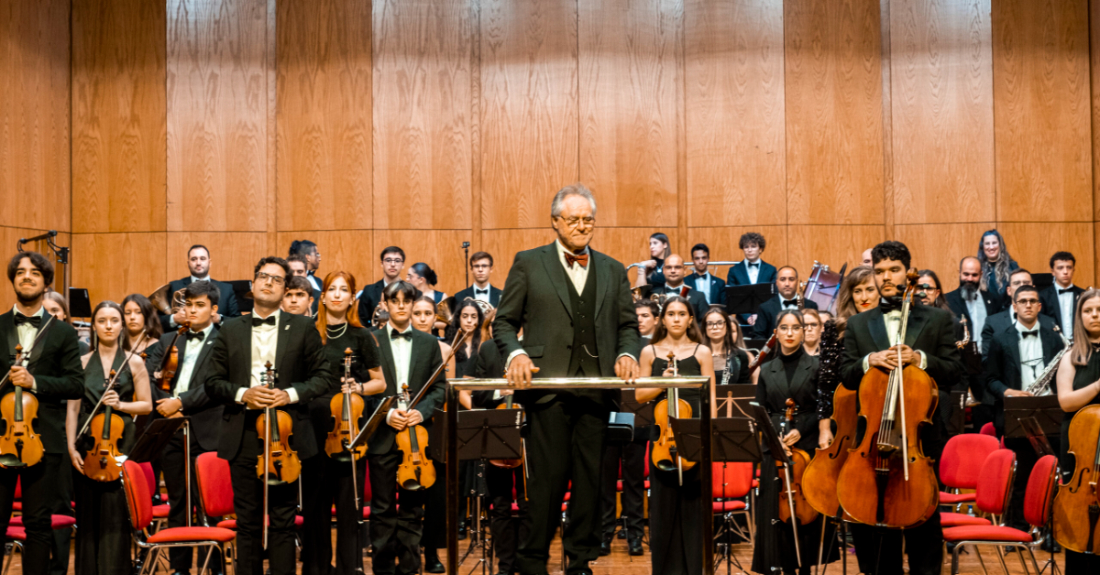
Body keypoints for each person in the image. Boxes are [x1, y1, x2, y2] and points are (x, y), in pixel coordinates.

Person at [494, 184, 640, 575]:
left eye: (587, 219)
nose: (581, 226)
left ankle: (580, 562)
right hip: (546, 391)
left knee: (591, 484)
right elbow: (504, 323)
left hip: (596, 391)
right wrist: (517, 353)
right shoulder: (529, 262)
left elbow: (628, 325)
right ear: (555, 221)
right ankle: (531, 562)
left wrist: (626, 353)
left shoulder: (612, 268)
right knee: (546, 483)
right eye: (573, 219)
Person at [202, 256, 334, 575]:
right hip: (243, 432)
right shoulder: (230, 328)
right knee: (247, 522)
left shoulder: (303, 327)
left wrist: (288, 394)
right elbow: (211, 381)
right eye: (264, 276)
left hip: (286, 435)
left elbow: (323, 376)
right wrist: (243, 393)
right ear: (252, 284)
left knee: (283, 521)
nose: (269, 282)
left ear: (285, 288)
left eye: (277, 279)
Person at [840, 241, 962, 575]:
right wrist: (870, 360)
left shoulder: (937, 320)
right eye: (879, 272)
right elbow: (847, 376)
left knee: (923, 530)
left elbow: (953, 371)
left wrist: (920, 358)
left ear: (908, 271)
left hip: (918, 443)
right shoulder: (859, 325)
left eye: (893, 269)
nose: (886, 277)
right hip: (874, 443)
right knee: (874, 532)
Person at [0, 253, 84, 575]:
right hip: (1, 437)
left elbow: (75, 384)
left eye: (34, 272)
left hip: (43, 441)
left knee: (38, 524)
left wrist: (35, 381)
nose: (26, 277)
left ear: (45, 282)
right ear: (13, 280)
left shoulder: (62, 332)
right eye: (20, 272)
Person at [300, 271, 384, 575]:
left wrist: (358, 388)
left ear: (352, 297)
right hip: (312, 427)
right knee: (315, 509)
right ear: (323, 296)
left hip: (348, 430)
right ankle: (317, 569)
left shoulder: (362, 336)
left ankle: (350, 569)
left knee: (349, 511)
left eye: (343, 290)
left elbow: (380, 382)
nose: (337, 294)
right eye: (331, 289)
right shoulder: (307, 332)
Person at [143, 280, 225, 575]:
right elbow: (151, 379)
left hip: (208, 430)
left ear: (214, 310)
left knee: (209, 505)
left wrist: (180, 402)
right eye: (188, 304)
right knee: (178, 502)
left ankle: (214, 568)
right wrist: (165, 404)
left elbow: (217, 385)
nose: (192, 310)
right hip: (172, 432)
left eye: (199, 305)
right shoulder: (168, 341)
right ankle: (179, 569)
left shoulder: (224, 339)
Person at [66, 300, 152, 575]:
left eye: (114, 320)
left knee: (116, 516)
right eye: (102, 320)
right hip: (88, 446)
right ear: (93, 326)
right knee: (88, 518)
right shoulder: (80, 362)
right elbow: (73, 408)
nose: (108, 325)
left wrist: (121, 406)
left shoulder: (135, 361)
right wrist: (70, 446)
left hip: (120, 444)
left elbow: (147, 405)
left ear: (122, 325)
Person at [367, 281, 447, 575]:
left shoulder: (428, 344)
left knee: (413, 509)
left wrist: (421, 411)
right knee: (383, 508)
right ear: (385, 304)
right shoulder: (372, 340)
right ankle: (384, 568)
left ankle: (411, 567)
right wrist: (387, 414)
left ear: (413, 304)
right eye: (394, 300)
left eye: (406, 300)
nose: (401, 305)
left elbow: (439, 389)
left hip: (417, 438)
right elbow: (366, 391)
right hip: (384, 435)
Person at [752, 310, 839, 575]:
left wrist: (800, 429)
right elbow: (761, 411)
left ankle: (805, 568)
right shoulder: (766, 370)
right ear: (776, 333)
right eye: (784, 328)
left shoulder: (816, 367)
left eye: (796, 328)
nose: (790, 333)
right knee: (775, 514)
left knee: (808, 510)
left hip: (808, 445)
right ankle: (782, 566)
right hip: (775, 448)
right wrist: (774, 437)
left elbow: (824, 409)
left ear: (804, 332)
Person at [634, 296, 715, 575]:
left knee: (694, 510)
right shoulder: (650, 353)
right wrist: (662, 383)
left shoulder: (702, 352)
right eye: (671, 314)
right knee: (664, 510)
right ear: (663, 319)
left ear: (691, 319)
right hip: (662, 443)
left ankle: (693, 569)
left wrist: (709, 437)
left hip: (694, 437)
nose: (677, 318)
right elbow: (639, 395)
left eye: (682, 313)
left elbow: (711, 399)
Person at [984, 285, 1064, 530]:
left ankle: (1051, 531)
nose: (1028, 305)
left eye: (1033, 301)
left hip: (1050, 412)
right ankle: (1016, 530)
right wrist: (1010, 392)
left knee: (1051, 474)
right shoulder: (1000, 338)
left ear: (1040, 306)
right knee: (1020, 476)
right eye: (1023, 301)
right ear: (1014, 306)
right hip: (1017, 414)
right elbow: (990, 380)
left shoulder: (1055, 337)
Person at [599, 300, 659, 557]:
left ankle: (635, 535)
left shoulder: (652, 348)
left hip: (640, 419)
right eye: (636, 316)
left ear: (655, 319)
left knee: (635, 482)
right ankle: (604, 535)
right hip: (611, 416)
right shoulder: (613, 344)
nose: (639, 320)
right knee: (606, 481)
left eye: (645, 315)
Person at [1054, 289, 1100, 573]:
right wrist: (1098, 386)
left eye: (1099, 309)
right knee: (1079, 516)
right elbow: (1065, 401)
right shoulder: (1072, 355)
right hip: (1078, 448)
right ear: (1080, 316)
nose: (1094, 315)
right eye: (1088, 310)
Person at [159, 245, 240, 332]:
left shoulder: (226, 289)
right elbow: (156, 320)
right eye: (194, 259)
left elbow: (238, 322)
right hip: (182, 340)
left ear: (209, 262)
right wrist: (174, 319)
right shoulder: (174, 286)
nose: (198, 263)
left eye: (202, 258)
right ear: (188, 263)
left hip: (217, 341)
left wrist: (219, 319)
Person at [980, 269, 1056, 356]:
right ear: (1009, 291)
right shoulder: (993, 323)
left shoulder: (1050, 323)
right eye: (1017, 283)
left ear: (1034, 289)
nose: (1022, 287)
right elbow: (988, 361)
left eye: (1026, 283)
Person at [944, 256, 1002, 350]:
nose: (970, 279)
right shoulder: (946, 300)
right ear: (959, 273)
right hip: (958, 359)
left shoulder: (993, 299)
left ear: (981, 274)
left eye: (974, 275)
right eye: (966, 274)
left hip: (987, 359)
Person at [751, 266, 819, 339]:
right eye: (782, 279)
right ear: (777, 283)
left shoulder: (811, 305)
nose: (787, 284)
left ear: (797, 281)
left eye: (791, 279)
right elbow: (758, 336)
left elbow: (816, 333)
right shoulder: (765, 308)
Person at [356, 246, 406, 328]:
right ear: (382, 264)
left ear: (403, 265)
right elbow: (362, 323)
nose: (392, 264)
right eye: (388, 260)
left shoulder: (414, 292)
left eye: (397, 261)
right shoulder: (369, 291)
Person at [1040, 251, 1084, 339]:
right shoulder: (1043, 296)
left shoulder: (1083, 294)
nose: (1065, 272)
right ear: (1053, 272)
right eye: (1060, 268)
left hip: (1080, 345)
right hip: (1054, 344)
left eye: (1069, 267)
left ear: (1073, 270)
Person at [703, 308, 751, 385]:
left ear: (727, 327)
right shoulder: (697, 355)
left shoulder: (740, 355)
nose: (715, 327)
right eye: (710, 323)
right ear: (704, 328)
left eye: (719, 323)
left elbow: (744, 387)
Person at [657, 254, 709, 322]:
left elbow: (704, 325)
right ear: (663, 270)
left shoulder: (699, 297)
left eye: (677, 267)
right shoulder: (653, 294)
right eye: (669, 267)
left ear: (684, 270)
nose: (673, 271)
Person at [977, 230, 1019, 306]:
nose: (991, 247)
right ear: (983, 247)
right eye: (987, 244)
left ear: (1000, 245)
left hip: (1008, 312)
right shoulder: (977, 267)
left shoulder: (1013, 266)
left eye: (994, 243)